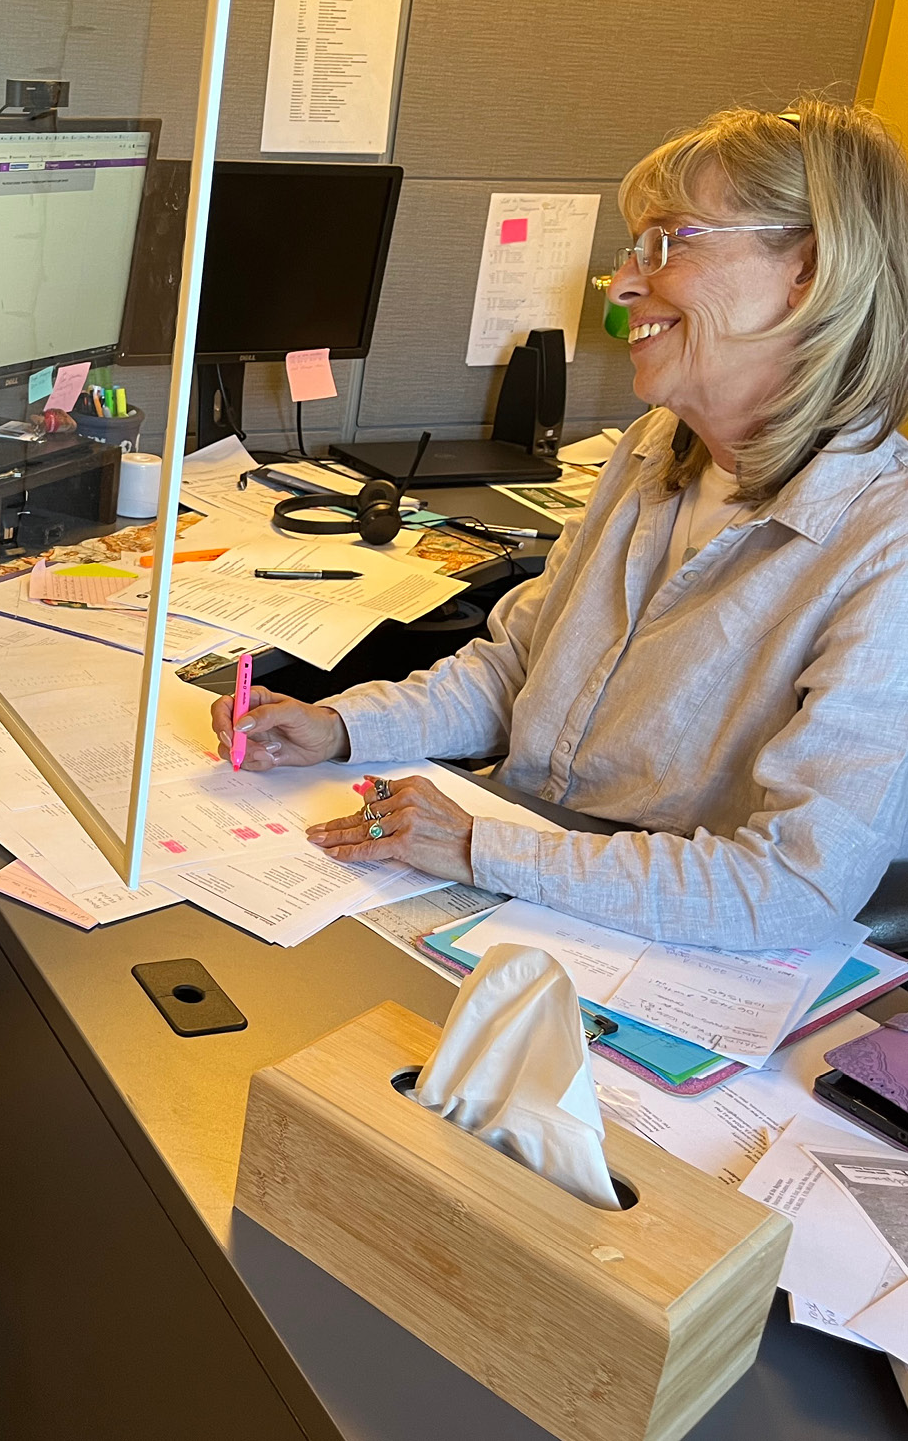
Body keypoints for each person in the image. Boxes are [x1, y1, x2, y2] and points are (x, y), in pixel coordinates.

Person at [213, 97, 908, 951]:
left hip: (654, 952)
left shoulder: (885, 550)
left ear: (809, 269)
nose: (619, 286)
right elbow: (520, 670)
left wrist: (477, 845)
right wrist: (345, 727)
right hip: (517, 887)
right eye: (631, 248)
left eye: (668, 242)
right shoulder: (657, 449)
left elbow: (791, 888)